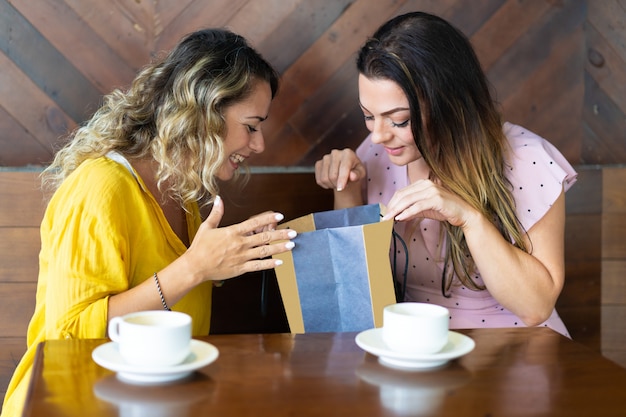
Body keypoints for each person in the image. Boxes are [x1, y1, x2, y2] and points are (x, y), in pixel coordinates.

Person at [2, 28, 296, 415]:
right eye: (251, 125)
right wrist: (194, 268)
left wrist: (229, 256)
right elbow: (67, 335)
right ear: (203, 113)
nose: (258, 144)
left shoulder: (183, 192)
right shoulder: (100, 187)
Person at [315, 12, 576, 337]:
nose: (379, 135)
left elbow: (536, 307)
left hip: (517, 346)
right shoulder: (377, 151)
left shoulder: (527, 159)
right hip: (418, 348)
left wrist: (470, 218)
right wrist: (347, 191)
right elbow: (356, 288)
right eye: (368, 116)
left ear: (449, 105)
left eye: (398, 120)